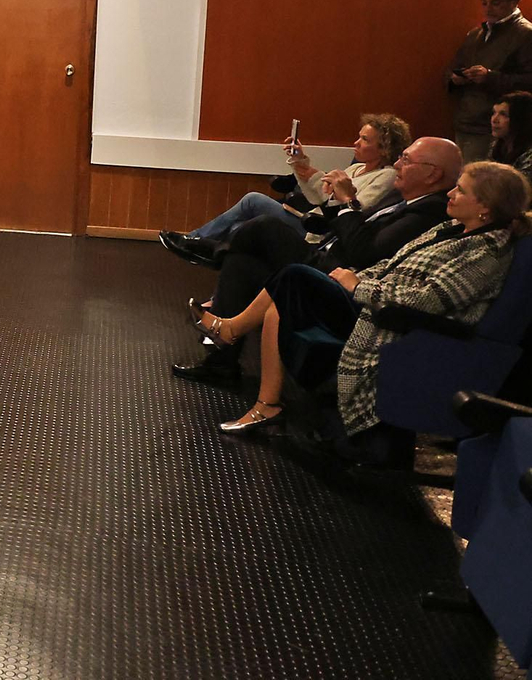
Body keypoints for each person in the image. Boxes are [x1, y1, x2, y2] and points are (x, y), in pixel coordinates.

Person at [191, 161, 524, 463]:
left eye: (461, 190)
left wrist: (356, 287)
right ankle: (266, 404)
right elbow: (390, 265)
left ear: (485, 206)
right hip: (373, 299)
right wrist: (355, 277)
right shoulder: (449, 230)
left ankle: (231, 331)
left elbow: (428, 299)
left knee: (292, 273)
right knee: (279, 292)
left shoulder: (485, 251)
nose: (450, 193)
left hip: (391, 320)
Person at [172, 137, 458, 386]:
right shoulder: (405, 199)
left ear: (432, 174)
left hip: (345, 279)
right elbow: (352, 226)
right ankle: (221, 364)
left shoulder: (428, 211)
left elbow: (363, 252)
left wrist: (347, 203)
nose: (398, 165)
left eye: (406, 160)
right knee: (243, 263)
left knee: (264, 226)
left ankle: (211, 251)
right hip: (331, 252)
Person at [160, 115, 409, 265]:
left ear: (385, 147)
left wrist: (330, 188)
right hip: (314, 221)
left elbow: (352, 209)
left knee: (253, 201)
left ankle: (196, 241)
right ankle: (209, 271)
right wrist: (302, 164)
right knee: (239, 228)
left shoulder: (386, 176)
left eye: (365, 139)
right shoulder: (357, 170)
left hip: (321, 233)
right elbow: (318, 197)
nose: (356, 143)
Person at [448, 0, 532, 162]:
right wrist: (455, 78)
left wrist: (490, 77)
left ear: (514, 2)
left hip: (496, 126)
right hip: (465, 120)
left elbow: (528, 82)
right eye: (484, 2)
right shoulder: (476, 34)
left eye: (495, 2)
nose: (488, 9)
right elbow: (454, 67)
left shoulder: (526, 35)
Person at [488, 90, 532, 176]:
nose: (494, 120)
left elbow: (518, 186)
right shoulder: (497, 146)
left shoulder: (529, 154)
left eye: (503, 114)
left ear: (521, 119)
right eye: (494, 113)